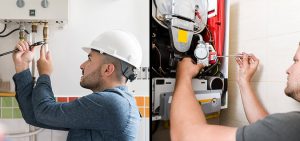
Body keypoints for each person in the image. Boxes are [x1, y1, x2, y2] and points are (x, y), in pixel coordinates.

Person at [12, 30, 142, 141]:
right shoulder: (113, 105)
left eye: (90, 59)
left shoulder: (113, 103)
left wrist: (44, 74)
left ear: (107, 69)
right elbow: (35, 116)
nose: (82, 65)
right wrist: (22, 66)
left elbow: (44, 112)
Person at [170, 47, 300, 141]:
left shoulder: (294, 126)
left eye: (296, 61)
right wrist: (244, 81)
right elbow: (268, 129)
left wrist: (183, 75)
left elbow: (184, 136)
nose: (288, 70)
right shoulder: (290, 127)